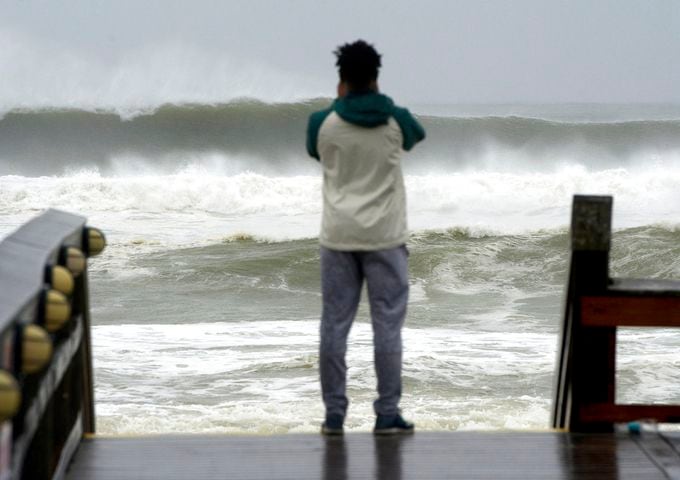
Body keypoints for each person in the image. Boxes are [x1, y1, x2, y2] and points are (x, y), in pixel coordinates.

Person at [306, 40, 425, 435]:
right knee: (387, 327)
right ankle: (387, 413)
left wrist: (342, 102)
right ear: (375, 78)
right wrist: (384, 102)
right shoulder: (395, 120)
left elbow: (313, 151)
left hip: (338, 236)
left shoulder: (321, 123)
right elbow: (417, 134)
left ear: (341, 80)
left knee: (334, 325)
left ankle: (334, 416)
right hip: (386, 238)